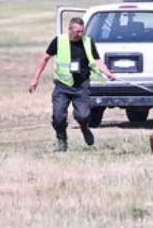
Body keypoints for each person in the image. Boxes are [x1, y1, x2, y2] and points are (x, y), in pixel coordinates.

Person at [29, 17, 115, 152]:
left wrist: (108, 73)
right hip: (62, 86)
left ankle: (84, 127)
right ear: (70, 30)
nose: (80, 34)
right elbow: (45, 58)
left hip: (81, 86)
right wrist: (35, 79)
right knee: (58, 117)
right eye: (77, 32)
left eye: (82, 31)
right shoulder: (59, 41)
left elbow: (97, 61)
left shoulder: (88, 42)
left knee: (84, 116)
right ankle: (62, 141)